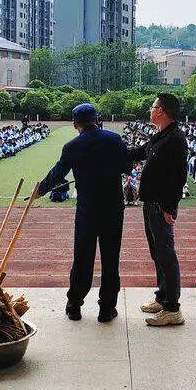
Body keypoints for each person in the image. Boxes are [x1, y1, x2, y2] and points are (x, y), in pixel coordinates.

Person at [37, 103, 130, 323]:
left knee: (82, 259)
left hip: (87, 210)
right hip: (113, 209)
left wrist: (40, 190)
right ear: (97, 119)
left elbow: (58, 174)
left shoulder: (72, 146)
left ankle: (74, 306)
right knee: (110, 259)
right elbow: (126, 166)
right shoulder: (114, 139)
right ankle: (107, 309)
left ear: (75, 124)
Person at [129, 93, 187, 327]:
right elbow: (138, 153)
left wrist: (170, 208)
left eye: (152, 106)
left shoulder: (176, 139)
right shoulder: (160, 136)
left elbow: (179, 177)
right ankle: (162, 298)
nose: (150, 109)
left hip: (161, 206)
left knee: (166, 254)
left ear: (161, 110)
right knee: (157, 254)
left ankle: (173, 308)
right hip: (150, 202)